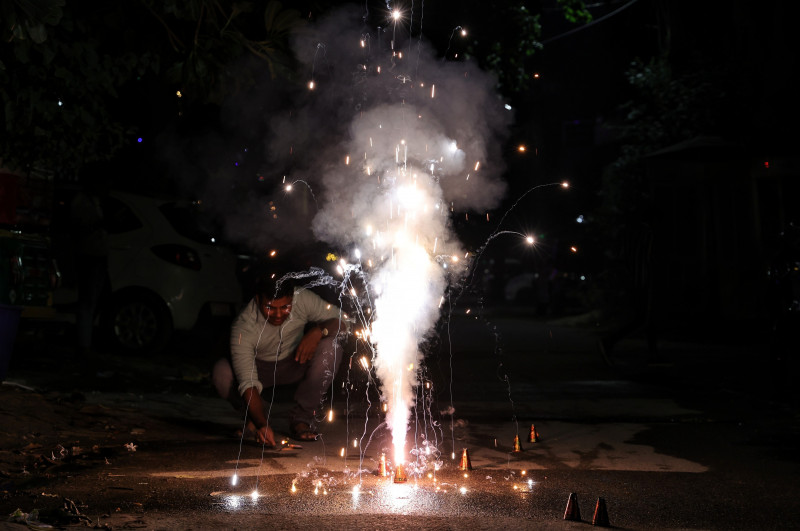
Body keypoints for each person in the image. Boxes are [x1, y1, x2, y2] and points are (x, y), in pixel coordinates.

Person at [212, 273, 346, 446]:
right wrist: (262, 424)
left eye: (285, 307)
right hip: (260, 370)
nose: (277, 315)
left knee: (331, 346)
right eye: (270, 307)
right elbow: (247, 382)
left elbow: (345, 320)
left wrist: (319, 330)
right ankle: (255, 418)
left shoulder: (302, 298)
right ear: (258, 299)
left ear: (292, 297)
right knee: (221, 373)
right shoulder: (243, 325)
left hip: (295, 361)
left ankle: (301, 419)